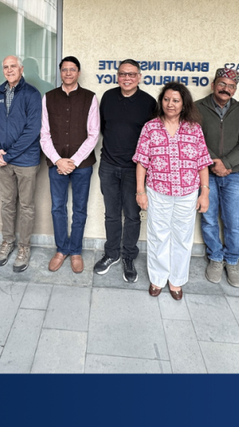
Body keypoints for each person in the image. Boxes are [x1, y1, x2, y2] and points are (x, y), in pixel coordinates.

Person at [133, 82, 211, 300]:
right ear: (161, 101)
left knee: (182, 237)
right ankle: (158, 279)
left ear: (184, 104)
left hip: (187, 193)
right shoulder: (150, 127)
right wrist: (140, 191)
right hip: (158, 191)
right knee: (158, 235)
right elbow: (141, 162)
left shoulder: (194, 129)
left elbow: (203, 163)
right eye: (167, 99)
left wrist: (204, 193)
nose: (171, 104)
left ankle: (176, 280)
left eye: (176, 100)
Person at [94, 59, 156, 282]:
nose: (127, 78)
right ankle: (112, 254)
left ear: (139, 77)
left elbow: (152, 137)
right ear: (117, 76)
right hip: (109, 165)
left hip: (134, 169)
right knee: (111, 213)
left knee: (131, 215)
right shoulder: (108, 97)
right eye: (123, 74)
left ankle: (129, 256)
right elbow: (102, 128)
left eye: (131, 74)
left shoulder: (149, 102)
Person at [196, 67, 239, 287]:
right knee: (209, 219)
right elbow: (194, 138)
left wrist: (227, 164)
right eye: (222, 84)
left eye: (231, 86)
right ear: (213, 85)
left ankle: (232, 260)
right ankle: (215, 258)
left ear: (235, 89)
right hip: (205, 173)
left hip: (233, 174)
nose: (226, 89)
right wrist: (213, 162)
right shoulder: (197, 108)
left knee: (233, 221)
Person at [40, 56, 99, 273]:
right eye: (64, 69)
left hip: (81, 166)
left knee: (80, 209)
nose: (68, 73)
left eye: (72, 69)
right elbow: (44, 134)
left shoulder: (90, 98)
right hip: (56, 164)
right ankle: (61, 249)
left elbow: (93, 134)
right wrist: (58, 160)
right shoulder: (48, 97)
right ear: (60, 72)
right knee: (58, 208)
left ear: (78, 72)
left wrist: (73, 161)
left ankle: (75, 251)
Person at [0, 55, 42, 272]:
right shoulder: (0, 94)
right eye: (6, 67)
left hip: (26, 160)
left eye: (13, 66)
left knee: (27, 206)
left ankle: (24, 247)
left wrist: (8, 154)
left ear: (21, 69)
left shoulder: (31, 93)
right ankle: (8, 242)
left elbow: (32, 130)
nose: (9, 70)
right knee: (7, 203)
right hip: (4, 160)